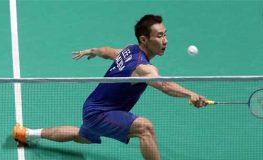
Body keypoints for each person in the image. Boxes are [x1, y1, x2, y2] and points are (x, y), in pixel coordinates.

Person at [13, 14, 208, 160]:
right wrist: (190, 94)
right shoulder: (143, 67)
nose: (165, 41)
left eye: (165, 35)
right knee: (145, 128)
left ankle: (28, 133)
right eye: (159, 36)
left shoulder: (130, 50)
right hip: (101, 113)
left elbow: (109, 52)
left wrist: (93, 51)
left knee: (80, 136)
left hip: (92, 108)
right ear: (144, 39)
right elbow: (164, 85)